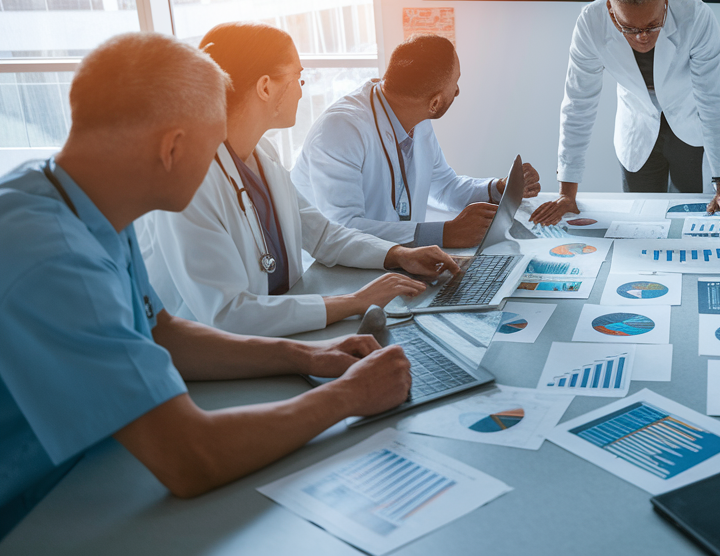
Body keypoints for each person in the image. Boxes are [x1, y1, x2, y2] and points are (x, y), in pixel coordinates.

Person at [0, 33, 414, 537]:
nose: (223, 160)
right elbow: (188, 458)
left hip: (86, 474)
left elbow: (162, 332)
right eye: (212, 142)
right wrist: (348, 397)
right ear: (173, 148)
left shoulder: (74, 195)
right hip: (33, 515)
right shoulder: (54, 256)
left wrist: (304, 356)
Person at [140, 23, 460, 338]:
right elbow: (228, 314)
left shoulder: (263, 154)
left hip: (283, 330)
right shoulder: (189, 183)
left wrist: (399, 254)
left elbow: (321, 235)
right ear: (265, 87)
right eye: (297, 77)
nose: (302, 89)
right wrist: (352, 302)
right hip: (220, 359)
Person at [531, 0, 720, 224]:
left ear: (664, 1)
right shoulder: (591, 24)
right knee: (641, 221)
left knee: (693, 218)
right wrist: (567, 192)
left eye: (652, 25)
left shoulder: (695, 14)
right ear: (612, 11)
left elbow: (714, 99)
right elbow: (578, 105)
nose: (642, 38)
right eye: (630, 29)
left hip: (688, 123)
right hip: (636, 129)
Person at [292, 34, 540, 248]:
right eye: (455, 83)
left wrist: (497, 188)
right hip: (331, 275)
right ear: (434, 103)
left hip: (394, 260)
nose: (457, 91)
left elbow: (444, 187)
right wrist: (445, 234)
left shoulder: (417, 117)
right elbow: (342, 230)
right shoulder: (341, 130)